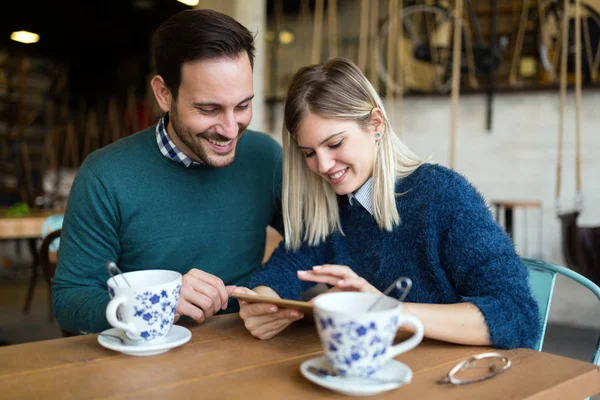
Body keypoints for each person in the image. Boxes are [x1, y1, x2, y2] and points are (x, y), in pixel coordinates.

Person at [235, 58, 540, 349]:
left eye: (335, 143)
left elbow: (517, 315)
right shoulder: (333, 206)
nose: (324, 165)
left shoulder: (443, 196)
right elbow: (285, 269)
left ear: (375, 125)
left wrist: (386, 310)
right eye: (309, 153)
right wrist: (262, 305)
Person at [52, 9, 283, 334]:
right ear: (164, 94)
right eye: (209, 109)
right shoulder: (105, 175)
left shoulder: (265, 157)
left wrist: (269, 287)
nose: (231, 129)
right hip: (143, 365)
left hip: (243, 353)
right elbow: (70, 300)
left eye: (243, 106)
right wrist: (154, 303)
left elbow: (316, 245)